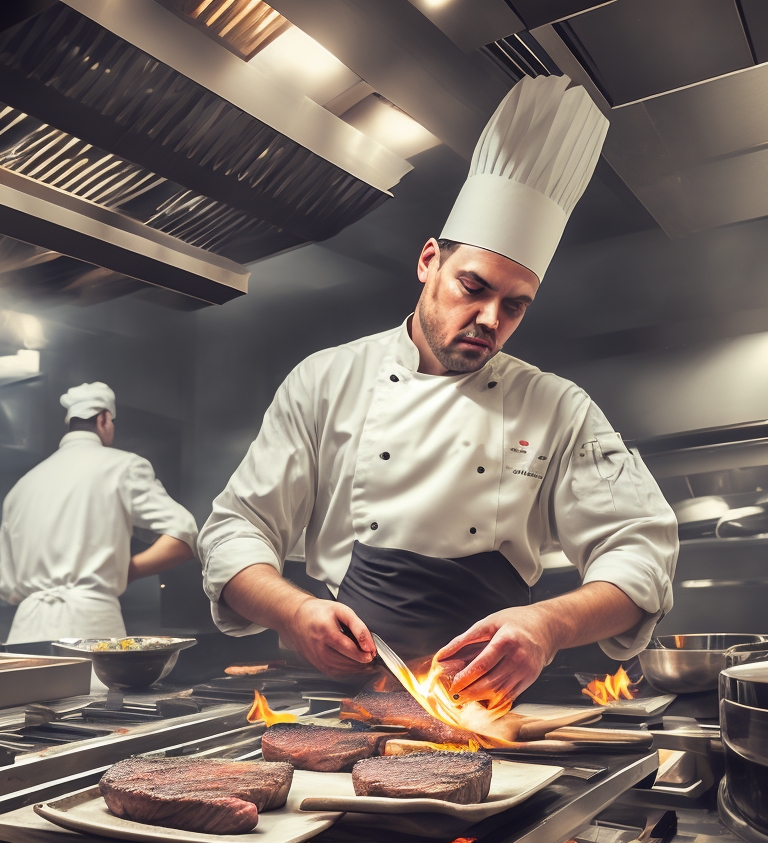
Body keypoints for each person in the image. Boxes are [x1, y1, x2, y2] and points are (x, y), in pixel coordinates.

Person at [198, 74, 679, 707]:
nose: (489, 320)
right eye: (473, 288)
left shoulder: (559, 407)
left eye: (515, 306)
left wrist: (548, 626)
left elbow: (641, 553)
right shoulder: (325, 380)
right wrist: (293, 612)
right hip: (340, 703)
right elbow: (234, 532)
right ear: (429, 262)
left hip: (487, 706)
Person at [0, 382, 197, 643]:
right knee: (90, 686)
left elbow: (9, 588)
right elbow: (185, 533)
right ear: (103, 419)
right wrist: (127, 570)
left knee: (23, 686)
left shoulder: (20, 488)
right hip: (89, 624)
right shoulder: (123, 466)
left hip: (25, 631)